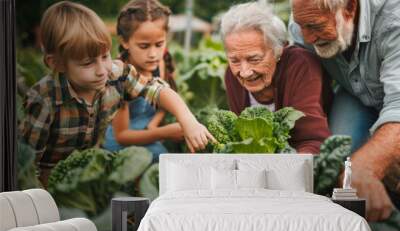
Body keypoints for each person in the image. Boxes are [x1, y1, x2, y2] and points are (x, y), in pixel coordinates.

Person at [19, 1, 215, 187]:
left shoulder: (117, 74)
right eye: (88, 63)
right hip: (50, 179)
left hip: (91, 169)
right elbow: (27, 165)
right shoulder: (44, 100)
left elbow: (157, 90)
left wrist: (188, 120)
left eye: (105, 56)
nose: (102, 70)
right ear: (57, 63)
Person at [289, 0, 400, 221]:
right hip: (356, 95)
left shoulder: (393, 21)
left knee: (364, 168)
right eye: (302, 25)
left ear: (349, 8)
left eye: (316, 26)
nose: (308, 37)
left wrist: (367, 166)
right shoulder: (302, 26)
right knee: (339, 158)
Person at [220, 2, 331, 154]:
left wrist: (284, 172)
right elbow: (242, 140)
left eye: (254, 59)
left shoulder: (301, 65)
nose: (244, 72)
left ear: (279, 51)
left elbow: (313, 141)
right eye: (234, 60)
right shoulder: (231, 76)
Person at [103, 0, 182, 162]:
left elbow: (163, 103)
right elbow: (122, 136)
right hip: (121, 146)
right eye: (144, 46)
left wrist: (153, 125)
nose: (153, 54)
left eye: (159, 44)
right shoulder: (120, 78)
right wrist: (164, 132)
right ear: (125, 42)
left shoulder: (159, 63)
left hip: (150, 136)